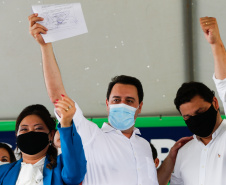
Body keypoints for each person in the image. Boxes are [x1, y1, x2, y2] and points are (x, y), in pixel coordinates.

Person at [28, 13, 192, 185]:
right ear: (107, 104)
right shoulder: (90, 135)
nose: (122, 104)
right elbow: (58, 97)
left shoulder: (143, 145)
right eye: (116, 100)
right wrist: (45, 47)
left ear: (140, 107)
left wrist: (172, 155)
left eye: (129, 101)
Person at [170, 17, 226, 185]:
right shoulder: (184, 153)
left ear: (215, 103)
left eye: (200, 112)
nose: (195, 119)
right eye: (188, 117)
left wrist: (216, 45)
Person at [0, 102, 86, 185]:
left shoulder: (62, 166)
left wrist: (66, 124)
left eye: (38, 128)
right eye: (24, 129)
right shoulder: (3, 172)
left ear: (51, 135)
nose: (30, 133)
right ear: (17, 136)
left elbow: (74, 176)